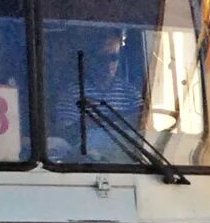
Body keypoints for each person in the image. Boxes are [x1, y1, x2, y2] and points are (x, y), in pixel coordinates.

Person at [46, 26, 144, 161]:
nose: (108, 64)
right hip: (86, 162)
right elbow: (64, 136)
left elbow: (142, 127)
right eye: (102, 58)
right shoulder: (72, 93)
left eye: (114, 57)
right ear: (89, 59)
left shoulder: (131, 94)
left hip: (126, 161)